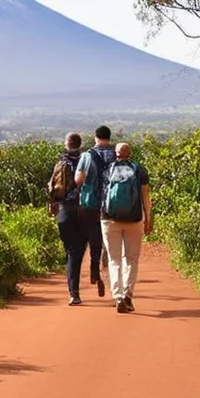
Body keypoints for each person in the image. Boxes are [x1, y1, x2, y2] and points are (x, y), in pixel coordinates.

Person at [100, 143, 151, 314]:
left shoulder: (107, 170)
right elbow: (145, 197)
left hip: (109, 219)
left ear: (115, 153)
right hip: (134, 220)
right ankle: (128, 295)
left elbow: (102, 195)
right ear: (130, 153)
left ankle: (118, 297)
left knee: (114, 260)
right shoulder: (139, 170)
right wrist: (148, 218)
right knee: (131, 259)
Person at [74, 125, 115, 297]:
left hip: (90, 203)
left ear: (96, 137)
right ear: (109, 137)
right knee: (111, 241)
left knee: (93, 237)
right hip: (112, 205)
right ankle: (108, 274)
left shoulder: (87, 156)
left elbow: (79, 180)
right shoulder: (116, 154)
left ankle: (94, 270)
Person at [47, 133, 87, 305]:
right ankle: (80, 286)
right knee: (78, 251)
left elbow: (52, 189)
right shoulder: (87, 162)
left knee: (71, 251)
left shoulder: (61, 163)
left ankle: (74, 293)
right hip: (85, 211)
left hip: (65, 212)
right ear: (80, 144)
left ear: (66, 144)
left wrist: (52, 207)